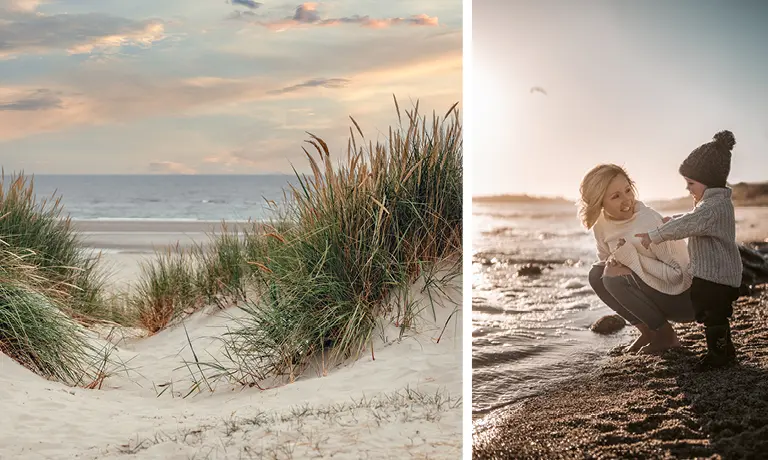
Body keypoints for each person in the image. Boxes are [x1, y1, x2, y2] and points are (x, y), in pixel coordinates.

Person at [636, 130, 742, 369]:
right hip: (718, 274)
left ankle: (719, 355)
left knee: (713, 314)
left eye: (691, 183)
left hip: (716, 276)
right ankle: (725, 351)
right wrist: (672, 218)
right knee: (714, 314)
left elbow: (690, 223)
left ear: (708, 180)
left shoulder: (713, 207)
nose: (687, 189)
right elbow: (693, 218)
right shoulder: (713, 204)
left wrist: (655, 235)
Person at [579, 164, 695, 354]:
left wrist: (632, 263)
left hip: (684, 298)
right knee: (597, 274)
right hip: (656, 291)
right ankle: (649, 332)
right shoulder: (600, 225)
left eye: (627, 190)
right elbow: (607, 259)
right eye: (615, 196)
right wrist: (619, 262)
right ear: (599, 202)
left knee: (612, 278)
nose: (627, 200)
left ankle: (666, 336)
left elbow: (680, 274)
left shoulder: (648, 221)